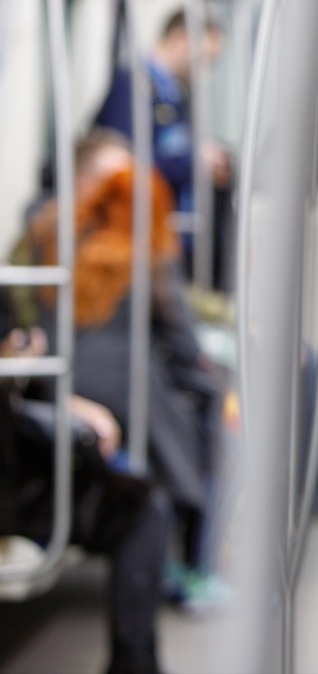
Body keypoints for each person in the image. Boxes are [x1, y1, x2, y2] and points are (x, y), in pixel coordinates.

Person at [21, 133, 228, 612]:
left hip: (58, 377)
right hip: (123, 385)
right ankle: (197, 562)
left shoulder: (42, 231)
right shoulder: (144, 242)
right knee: (213, 418)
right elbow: (179, 333)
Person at [0, 321, 172, 674]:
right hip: (16, 488)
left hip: (23, 473)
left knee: (142, 502)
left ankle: (135, 663)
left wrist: (72, 404)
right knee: (142, 508)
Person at [93, 8, 232, 286]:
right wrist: (194, 160)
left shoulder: (171, 93)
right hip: (135, 236)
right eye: (204, 60)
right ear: (180, 39)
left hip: (165, 234)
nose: (203, 72)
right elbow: (123, 163)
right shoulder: (133, 85)